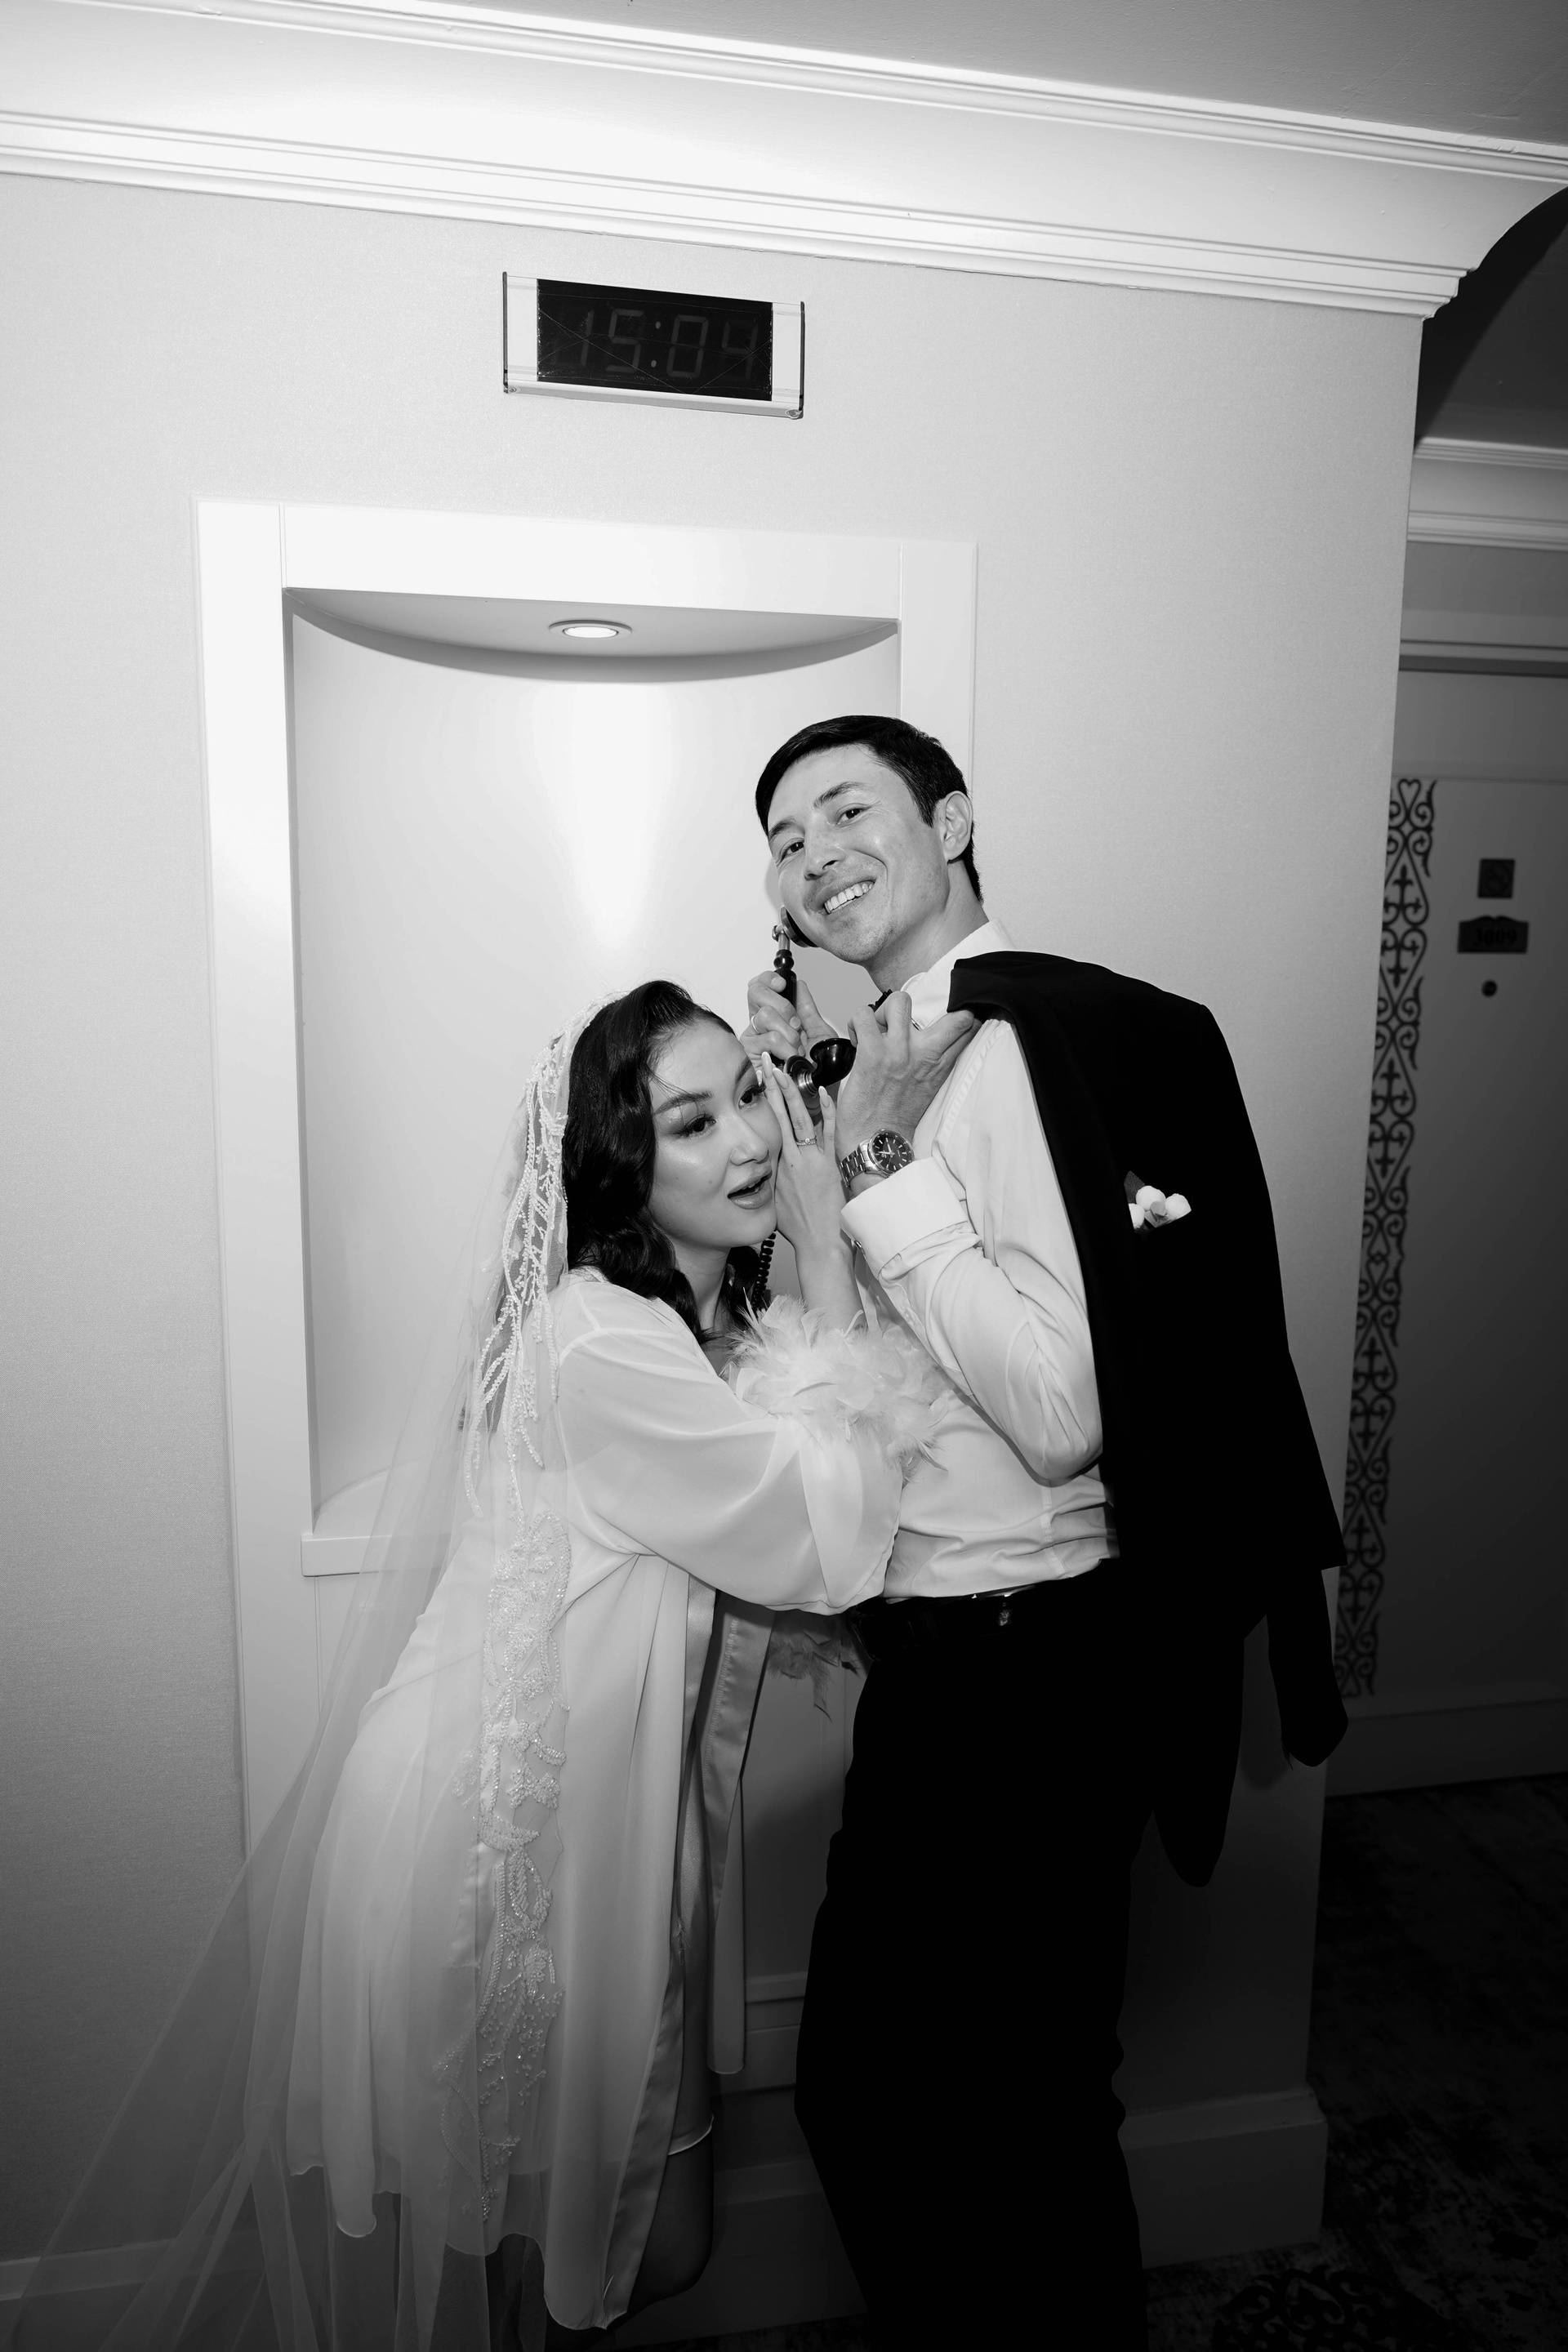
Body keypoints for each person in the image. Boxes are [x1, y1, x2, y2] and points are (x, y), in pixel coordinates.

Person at [17, 980, 957, 2352]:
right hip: (488, 1844)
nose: (753, 1141)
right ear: (621, 1167)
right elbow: (825, 1535)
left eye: (750, 1095)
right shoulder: (602, 1338)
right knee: (545, 2262)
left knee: (625, 2245)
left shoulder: (671, 1330)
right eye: (691, 1122)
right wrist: (826, 1243)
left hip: (586, 1837)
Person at [743, 715, 1348, 2350]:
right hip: (952, 1655)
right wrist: (831, 1144)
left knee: (989, 2107)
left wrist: (880, 1161)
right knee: (955, 2103)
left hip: (1033, 1663)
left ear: (951, 821)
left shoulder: (1013, 1050)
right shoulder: (894, 1063)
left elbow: (1065, 1410)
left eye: (848, 810)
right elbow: (891, 1374)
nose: (815, 855)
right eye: (785, 841)